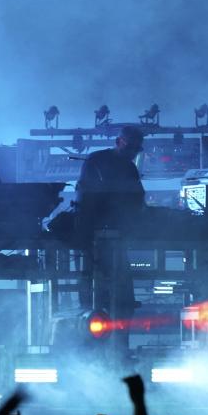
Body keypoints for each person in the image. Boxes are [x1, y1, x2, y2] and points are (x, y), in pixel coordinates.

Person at [74, 126, 145, 353]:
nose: (132, 151)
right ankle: (89, 344)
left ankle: (120, 346)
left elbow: (137, 199)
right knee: (91, 286)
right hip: (91, 236)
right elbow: (86, 196)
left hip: (117, 237)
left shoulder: (130, 168)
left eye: (136, 148)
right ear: (118, 141)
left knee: (122, 292)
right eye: (129, 146)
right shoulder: (96, 161)